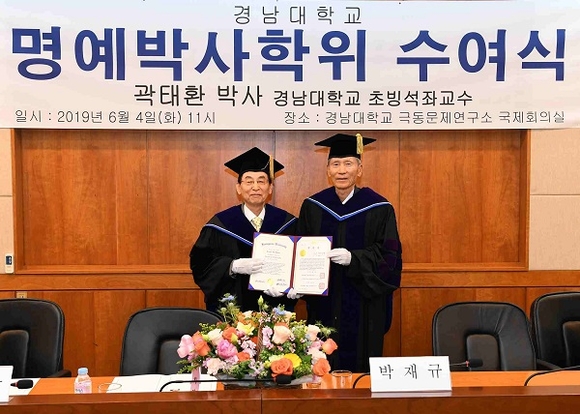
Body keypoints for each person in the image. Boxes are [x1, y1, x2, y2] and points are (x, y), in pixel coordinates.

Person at [296, 133, 403, 372]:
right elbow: (301, 252)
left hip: (365, 307)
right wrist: (295, 282)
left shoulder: (380, 208)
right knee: (320, 365)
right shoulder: (313, 206)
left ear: (359, 169)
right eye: (336, 164)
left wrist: (354, 259)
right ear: (328, 170)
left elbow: (390, 258)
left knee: (361, 370)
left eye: (348, 163)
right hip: (324, 304)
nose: (342, 170)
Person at [190, 147, 298, 313]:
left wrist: (293, 286)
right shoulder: (220, 224)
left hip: (275, 311)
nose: (255, 187)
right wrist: (232, 266)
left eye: (261, 181)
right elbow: (200, 266)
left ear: (270, 188)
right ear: (239, 188)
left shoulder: (288, 223)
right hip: (234, 314)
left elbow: (299, 264)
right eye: (249, 182)